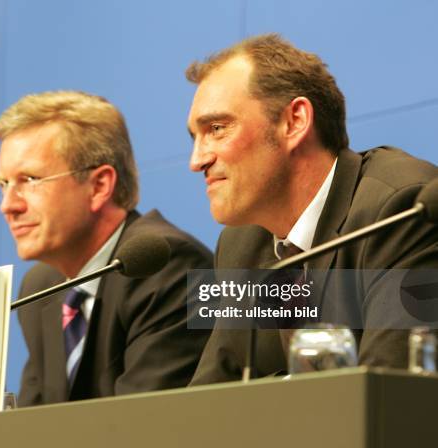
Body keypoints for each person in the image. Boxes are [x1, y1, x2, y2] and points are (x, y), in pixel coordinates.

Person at [185, 34, 438, 383]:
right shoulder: (240, 245)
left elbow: (385, 396)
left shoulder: (403, 210)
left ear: (294, 122)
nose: (197, 161)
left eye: (217, 128)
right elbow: (206, 405)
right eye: (195, 138)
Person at [0, 90, 213, 405]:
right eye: (3, 185)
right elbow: (34, 419)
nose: (8, 205)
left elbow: (144, 424)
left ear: (99, 186)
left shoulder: (170, 267)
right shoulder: (40, 287)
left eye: (29, 180)